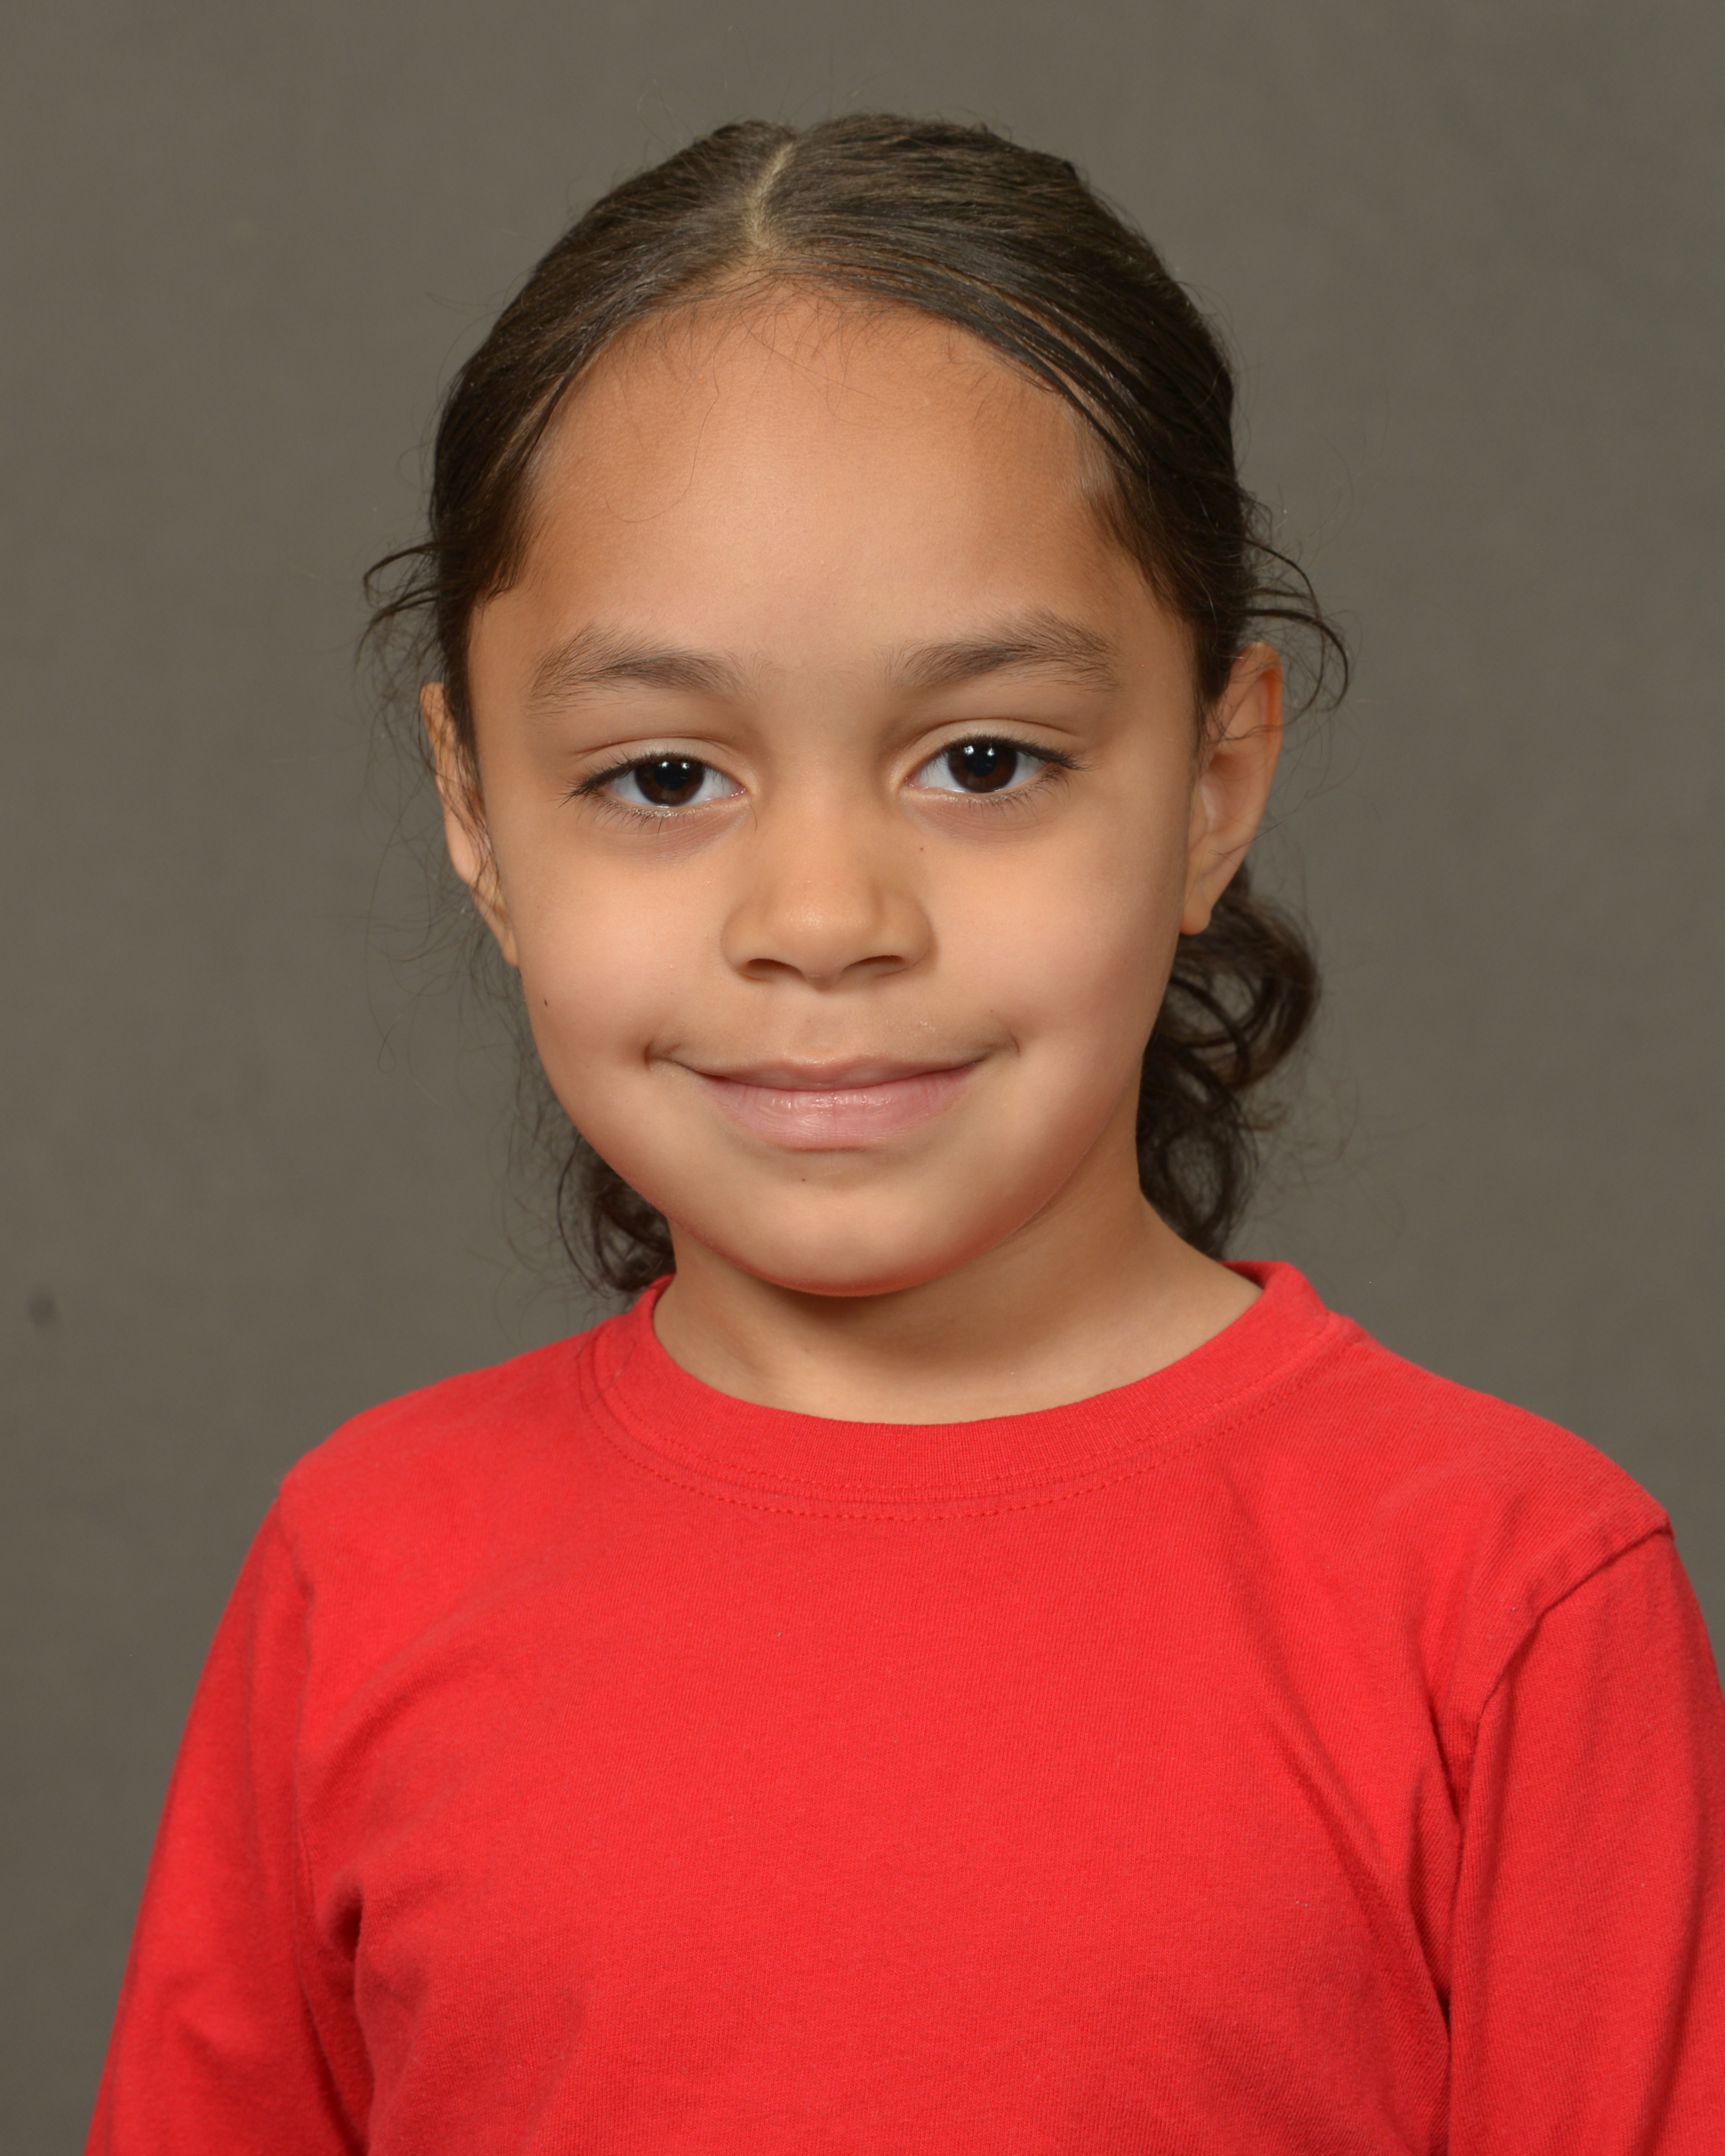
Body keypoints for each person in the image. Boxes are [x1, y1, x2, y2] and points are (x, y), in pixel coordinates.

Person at [89, 116, 1724, 2153]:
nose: (824, 917)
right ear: (475, 814)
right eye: (663, 776)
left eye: (983, 759)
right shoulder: (361, 1570)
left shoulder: (1510, 1604)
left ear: (1216, 783)